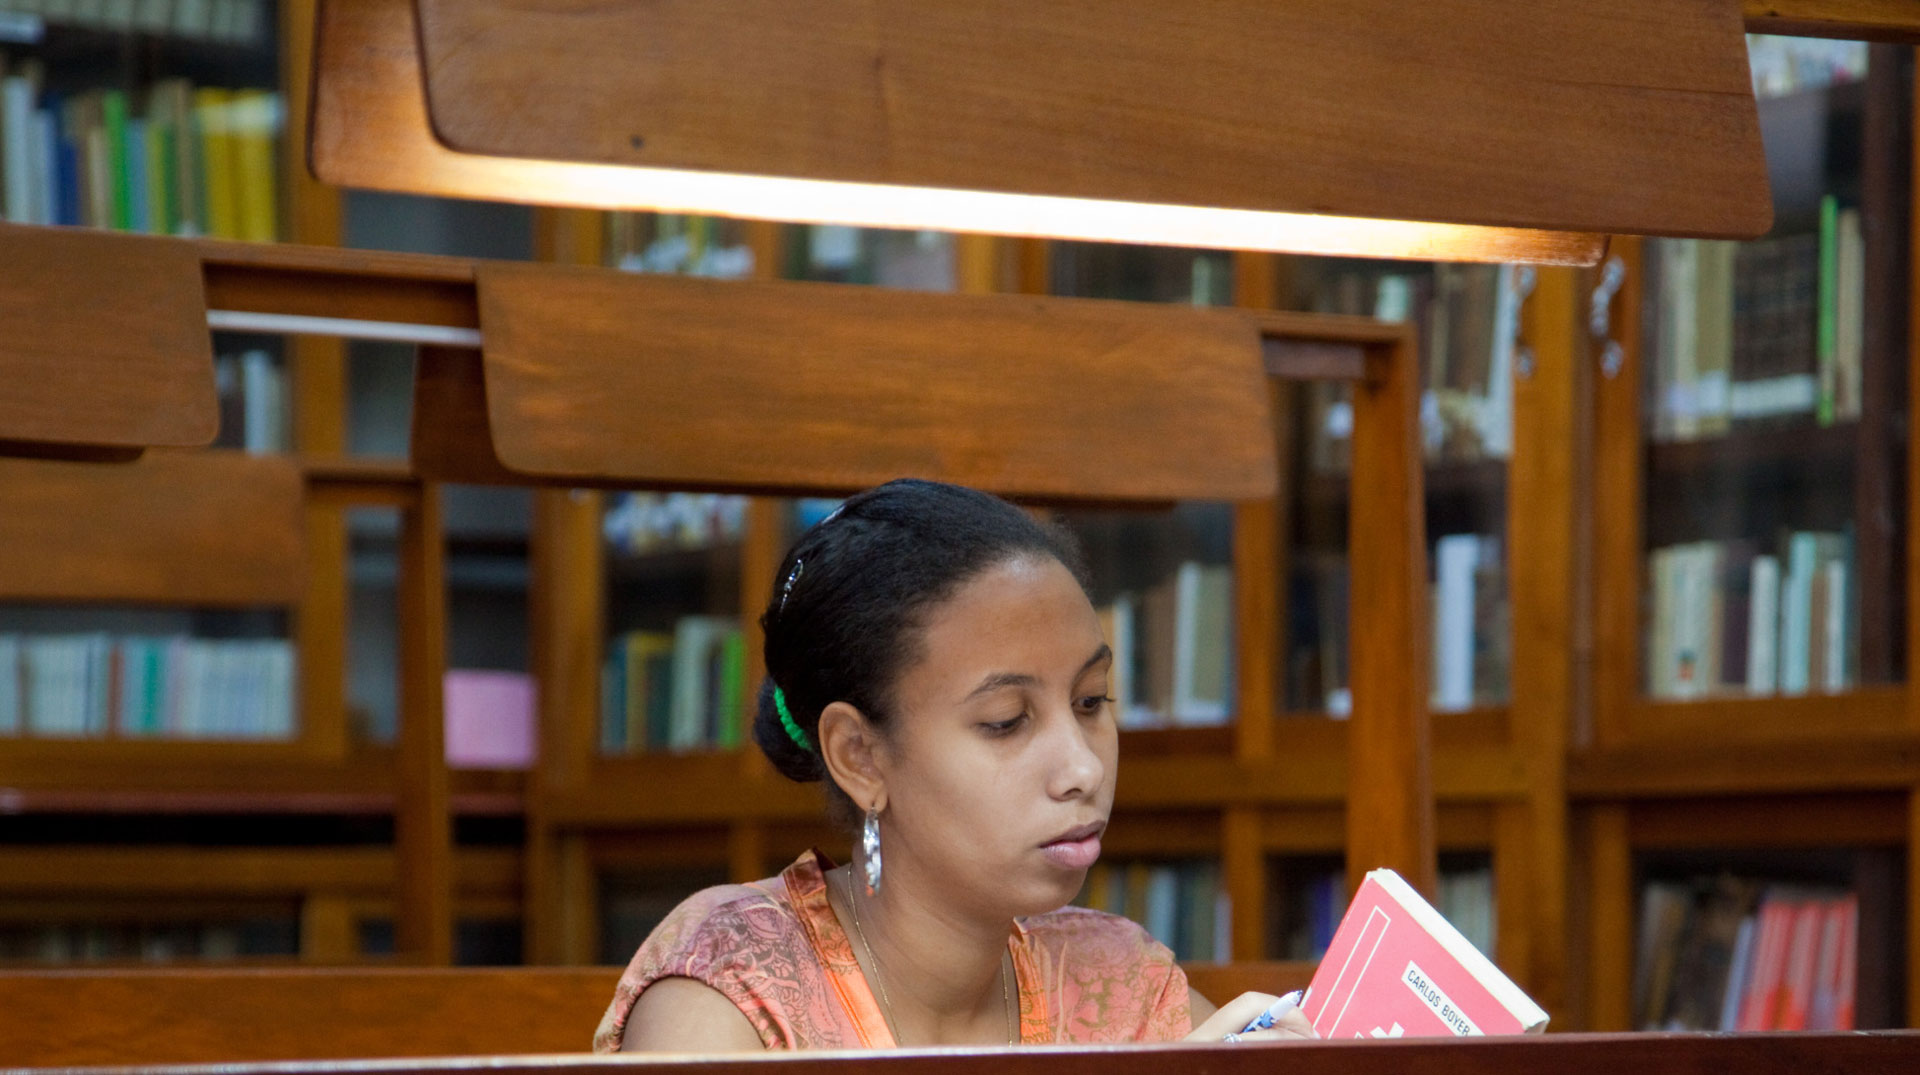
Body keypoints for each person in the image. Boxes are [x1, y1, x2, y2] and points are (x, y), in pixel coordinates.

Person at [594, 478, 1315, 1051]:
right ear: (860, 755)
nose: (1081, 769)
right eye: (1006, 721)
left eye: (1092, 701)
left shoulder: (1117, 981)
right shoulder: (732, 989)